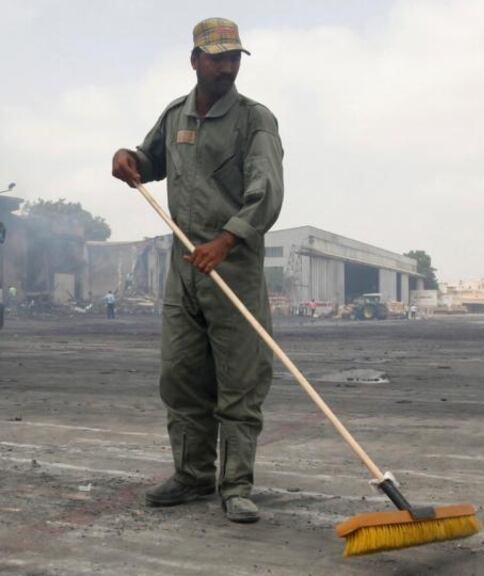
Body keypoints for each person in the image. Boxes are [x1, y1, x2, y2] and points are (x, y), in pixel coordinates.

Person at [110, 17, 284, 524]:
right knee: (181, 376)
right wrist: (127, 160)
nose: (227, 66)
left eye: (233, 57)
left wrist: (226, 241)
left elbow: (266, 192)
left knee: (240, 380)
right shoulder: (175, 115)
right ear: (195, 60)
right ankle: (192, 475)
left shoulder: (255, 120)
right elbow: (148, 161)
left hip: (233, 268)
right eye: (217, 57)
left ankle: (235, 485)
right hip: (183, 273)